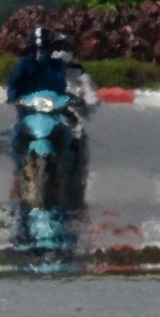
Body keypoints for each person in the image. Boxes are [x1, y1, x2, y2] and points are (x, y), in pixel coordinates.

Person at [7, 27, 67, 189]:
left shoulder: (57, 66)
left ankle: (66, 172)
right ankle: (18, 172)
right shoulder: (23, 65)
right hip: (28, 113)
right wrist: (14, 99)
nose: (41, 53)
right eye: (37, 49)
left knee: (70, 134)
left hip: (53, 114)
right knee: (15, 134)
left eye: (44, 49)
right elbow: (13, 86)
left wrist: (66, 100)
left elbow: (62, 88)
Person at [50, 32, 100, 211]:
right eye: (57, 48)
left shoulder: (79, 73)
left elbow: (90, 94)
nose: (61, 52)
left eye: (65, 48)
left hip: (72, 121)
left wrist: (87, 101)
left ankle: (76, 201)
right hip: (47, 120)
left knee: (78, 148)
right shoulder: (43, 71)